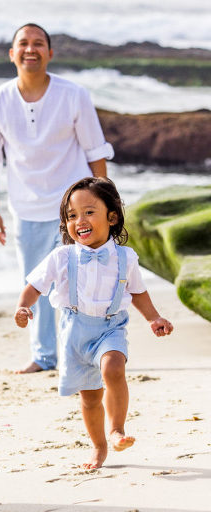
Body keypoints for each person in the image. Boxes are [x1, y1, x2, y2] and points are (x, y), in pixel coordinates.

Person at [0, 22, 114, 374]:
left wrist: (104, 205)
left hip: (76, 208)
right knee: (36, 283)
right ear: (12, 53)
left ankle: (83, 351)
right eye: (23, 43)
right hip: (27, 207)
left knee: (81, 281)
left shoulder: (73, 95)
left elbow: (95, 151)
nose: (30, 49)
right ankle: (44, 356)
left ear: (50, 53)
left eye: (38, 43)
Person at [14, 177, 173, 469]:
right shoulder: (62, 256)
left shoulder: (126, 257)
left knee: (113, 368)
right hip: (75, 332)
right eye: (71, 216)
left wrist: (154, 317)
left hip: (111, 328)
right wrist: (24, 306)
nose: (80, 221)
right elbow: (34, 285)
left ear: (111, 217)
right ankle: (99, 447)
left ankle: (117, 429)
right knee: (89, 398)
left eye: (89, 212)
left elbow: (137, 291)